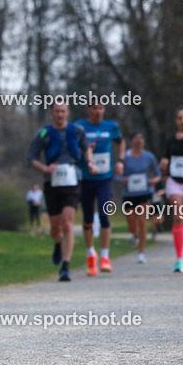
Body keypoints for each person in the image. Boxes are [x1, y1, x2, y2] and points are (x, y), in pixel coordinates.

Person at [28, 103, 94, 281]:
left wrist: (89, 162)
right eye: (56, 111)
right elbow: (31, 157)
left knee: (67, 223)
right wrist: (44, 167)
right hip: (52, 182)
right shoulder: (44, 133)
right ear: (52, 112)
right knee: (55, 227)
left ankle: (65, 266)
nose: (60, 114)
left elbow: (86, 147)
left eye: (63, 111)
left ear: (68, 112)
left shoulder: (77, 130)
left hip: (72, 180)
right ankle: (57, 242)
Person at [76, 102, 125, 275]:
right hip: (86, 179)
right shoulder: (80, 126)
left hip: (105, 178)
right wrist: (84, 151)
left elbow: (121, 142)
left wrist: (120, 161)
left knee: (105, 214)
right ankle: (91, 254)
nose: (98, 111)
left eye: (101, 108)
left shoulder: (111, 126)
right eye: (94, 108)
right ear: (88, 109)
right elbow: (73, 148)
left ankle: (105, 256)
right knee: (88, 217)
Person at [159, 105, 183, 274]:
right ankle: (179, 258)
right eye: (179, 118)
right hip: (175, 182)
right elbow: (167, 156)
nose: (182, 121)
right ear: (176, 121)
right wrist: (164, 163)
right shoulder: (171, 140)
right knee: (178, 215)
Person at [118, 131, 160, 263]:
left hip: (144, 192)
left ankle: (141, 252)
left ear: (143, 141)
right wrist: (121, 179)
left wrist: (153, 181)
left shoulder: (149, 156)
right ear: (131, 141)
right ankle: (134, 234)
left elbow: (157, 174)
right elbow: (117, 174)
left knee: (142, 221)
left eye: (141, 138)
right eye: (136, 138)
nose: (138, 140)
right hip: (129, 193)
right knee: (131, 223)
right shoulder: (125, 157)